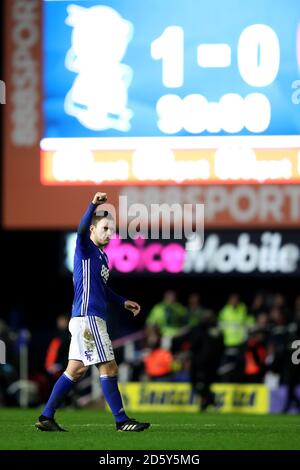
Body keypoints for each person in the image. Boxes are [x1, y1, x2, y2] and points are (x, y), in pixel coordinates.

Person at [35, 192, 150, 432]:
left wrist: (122, 301)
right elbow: (79, 230)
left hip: (84, 319)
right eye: (104, 228)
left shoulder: (102, 257)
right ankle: (122, 421)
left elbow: (102, 289)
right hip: (89, 319)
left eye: (111, 230)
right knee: (109, 368)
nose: (109, 233)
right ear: (92, 230)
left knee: (75, 371)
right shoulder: (85, 247)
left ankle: (46, 417)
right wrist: (93, 205)